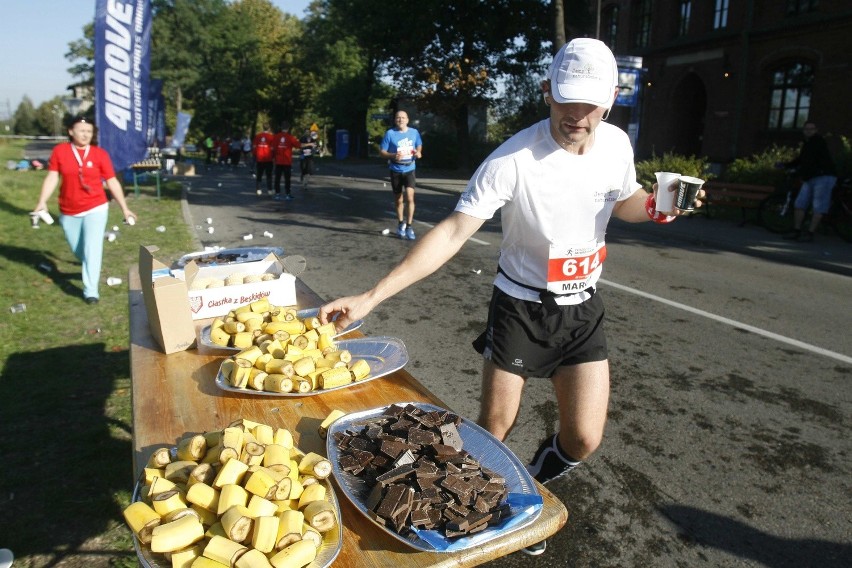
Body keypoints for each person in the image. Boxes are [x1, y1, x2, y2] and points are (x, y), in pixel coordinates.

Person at [319, 39, 704, 556]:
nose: (576, 115)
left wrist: (658, 207)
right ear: (547, 91)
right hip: (520, 307)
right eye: (565, 99)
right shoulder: (514, 158)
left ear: (611, 99)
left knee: (584, 439)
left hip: (583, 308)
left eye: (589, 104)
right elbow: (454, 232)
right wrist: (371, 296)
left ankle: (537, 484)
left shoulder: (616, 145)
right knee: (495, 429)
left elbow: (625, 200)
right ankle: (479, 511)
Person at [33, 116, 138, 305]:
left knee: (92, 248)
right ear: (71, 132)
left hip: (96, 207)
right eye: (81, 130)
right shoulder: (61, 151)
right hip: (68, 209)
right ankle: (90, 265)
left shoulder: (100, 154)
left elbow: (112, 181)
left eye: (89, 131)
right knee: (78, 249)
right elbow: (52, 177)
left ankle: (91, 291)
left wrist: (125, 208)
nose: (85, 134)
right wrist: (42, 201)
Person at [782, 121, 837, 242]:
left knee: (818, 206)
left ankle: (810, 233)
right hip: (810, 177)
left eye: (811, 129)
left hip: (823, 176)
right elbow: (802, 159)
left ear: (816, 130)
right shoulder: (807, 144)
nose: (808, 131)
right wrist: (787, 165)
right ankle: (797, 230)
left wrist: (798, 171)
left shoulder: (818, 142)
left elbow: (810, 161)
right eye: (806, 129)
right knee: (799, 204)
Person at [379, 110, 422, 240]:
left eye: (403, 118)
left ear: (407, 120)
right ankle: (400, 224)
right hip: (395, 169)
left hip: (409, 168)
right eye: (398, 118)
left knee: (410, 197)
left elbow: (419, 145)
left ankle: (409, 226)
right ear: (395, 120)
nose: (400, 120)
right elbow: (382, 152)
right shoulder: (390, 134)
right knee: (398, 199)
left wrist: (418, 153)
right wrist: (393, 155)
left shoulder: (414, 132)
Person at [272, 121, 301, 200]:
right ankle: (287, 194)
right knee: (287, 179)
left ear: (281, 128)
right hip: (287, 161)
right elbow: (298, 145)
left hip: (278, 161)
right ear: (288, 129)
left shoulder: (276, 137)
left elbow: (273, 148)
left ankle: (277, 194)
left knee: (277, 178)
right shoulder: (290, 137)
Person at [253, 123, 274, 196]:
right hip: (268, 158)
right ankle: (269, 190)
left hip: (260, 158)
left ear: (263, 128)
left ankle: (258, 189)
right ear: (269, 129)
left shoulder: (258, 136)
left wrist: (255, 155)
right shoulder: (271, 137)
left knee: (259, 174)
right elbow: (272, 148)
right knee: (269, 175)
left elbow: (254, 147)